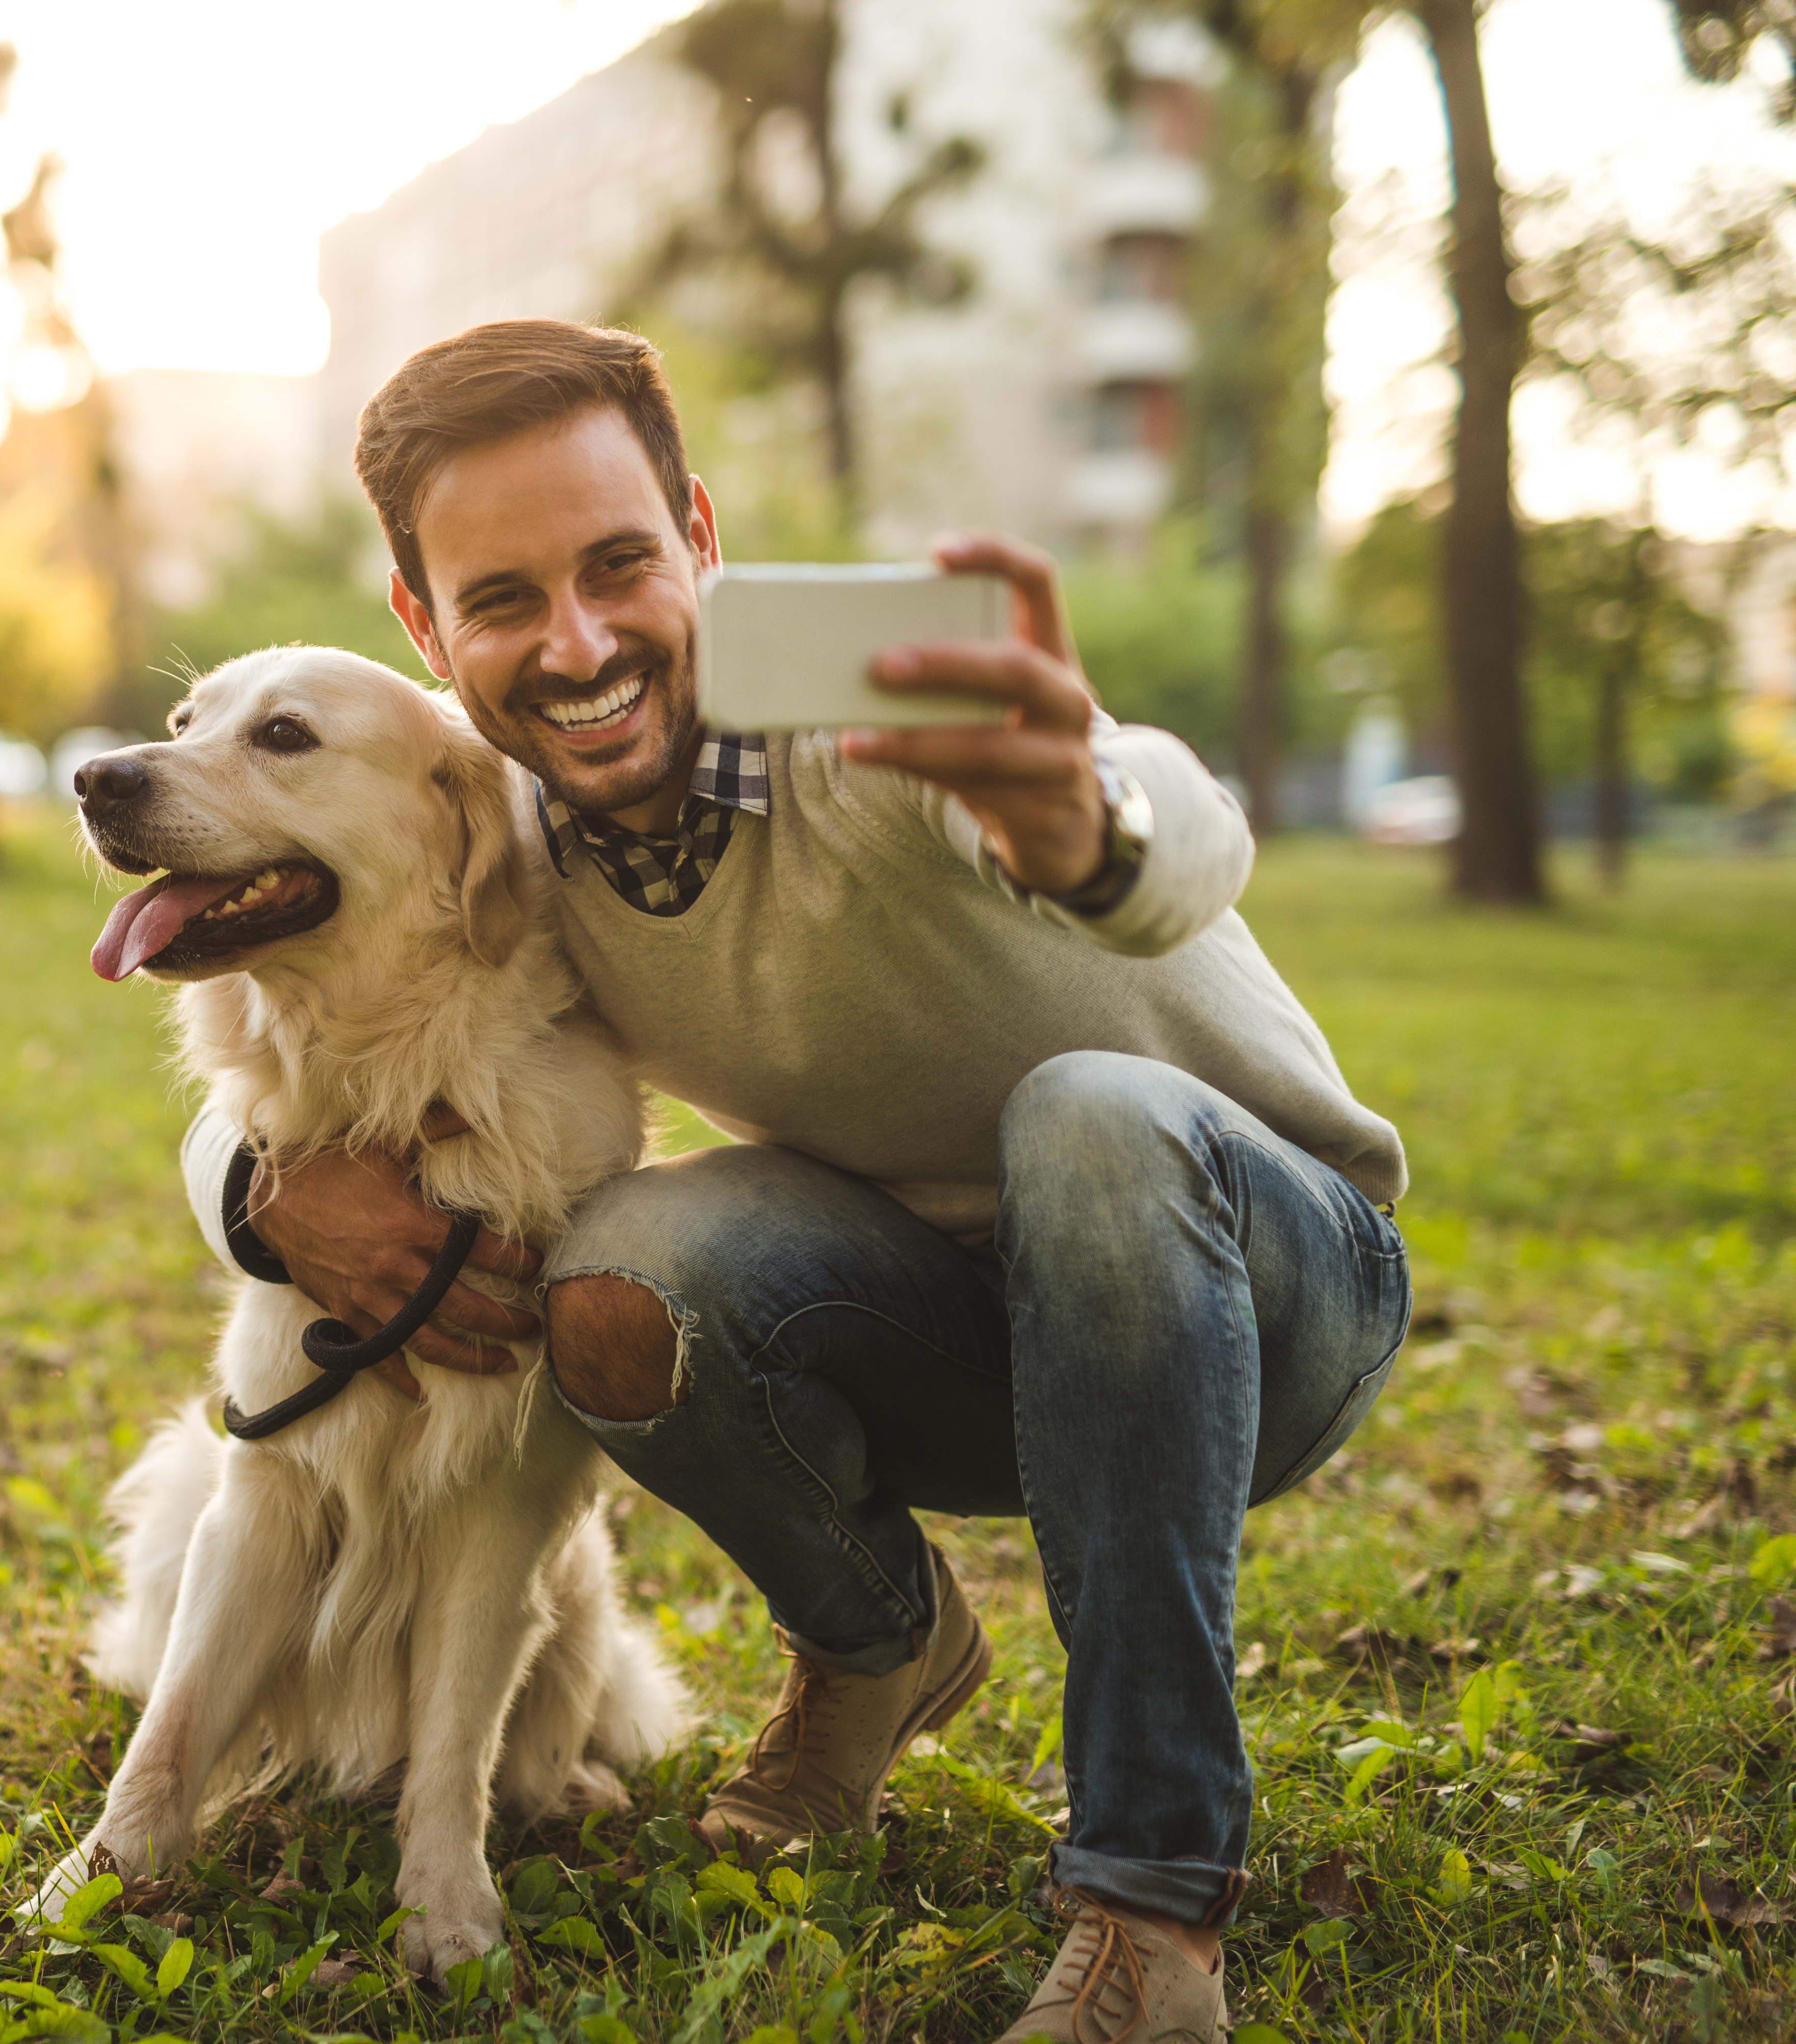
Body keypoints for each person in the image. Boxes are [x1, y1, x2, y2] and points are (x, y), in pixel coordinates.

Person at [172, 320, 1409, 2044]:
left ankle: (1151, 1906)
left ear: (699, 533)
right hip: (943, 1324)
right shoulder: (491, 830)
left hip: (1265, 1287)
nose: (581, 641)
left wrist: (1092, 832)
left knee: (1094, 1121)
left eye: (619, 564)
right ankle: (883, 1641)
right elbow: (326, 1036)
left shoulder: (868, 698)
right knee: (624, 1270)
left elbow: (1176, 814)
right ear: (422, 625)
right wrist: (253, 1191)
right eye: (506, 597)